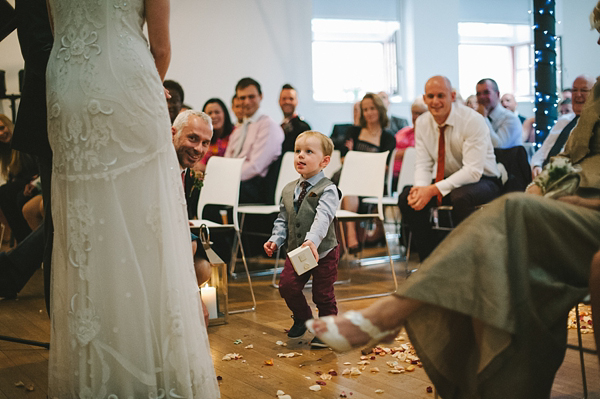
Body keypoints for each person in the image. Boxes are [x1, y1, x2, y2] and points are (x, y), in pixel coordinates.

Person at [45, 0, 219, 396]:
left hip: (66, 84)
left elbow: (59, 27)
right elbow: (160, 48)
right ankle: (151, 366)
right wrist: (134, 92)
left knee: (86, 229)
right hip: (125, 83)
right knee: (145, 225)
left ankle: (98, 370)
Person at [398, 76, 501, 261]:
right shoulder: (422, 123)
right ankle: (430, 262)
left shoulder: (472, 120)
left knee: (460, 197)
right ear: (424, 98)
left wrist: (432, 189)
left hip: (484, 180)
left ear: (452, 96)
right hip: (448, 180)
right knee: (408, 198)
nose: (435, 102)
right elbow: (423, 163)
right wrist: (421, 189)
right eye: (430, 96)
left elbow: (472, 171)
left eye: (440, 95)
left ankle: (472, 261)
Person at [264, 130, 340, 349]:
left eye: (308, 151)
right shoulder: (289, 189)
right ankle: (303, 318)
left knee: (322, 294)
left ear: (325, 161)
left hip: (323, 251)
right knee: (287, 287)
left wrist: (312, 241)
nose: (301, 156)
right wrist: (275, 239)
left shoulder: (328, 189)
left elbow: (323, 217)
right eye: (298, 151)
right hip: (298, 251)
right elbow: (283, 218)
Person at [339, 92, 396, 252]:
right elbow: (344, 159)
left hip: (374, 182)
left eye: (372, 108)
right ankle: (351, 235)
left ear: (380, 109)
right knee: (349, 186)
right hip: (348, 177)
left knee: (349, 186)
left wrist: (356, 158)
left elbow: (385, 167)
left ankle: (350, 239)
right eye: (365, 109)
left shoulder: (388, 137)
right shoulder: (354, 132)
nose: (369, 113)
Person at [225, 77, 284, 204]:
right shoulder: (238, 130)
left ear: (260, 96)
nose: (246, 102)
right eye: (242, 98)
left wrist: (229, 178)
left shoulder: (268, 125)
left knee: (214, 191)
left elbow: (256, 166)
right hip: (237, 182)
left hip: (257, 186)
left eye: (251, 97)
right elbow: (227, 160)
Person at [530, 75, 594, 177]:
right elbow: (543, 150)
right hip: (543, 173)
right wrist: (536, 166)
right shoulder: (563, 121)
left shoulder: (594, 125)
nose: (578, 94)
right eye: (574, 90)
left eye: (584, 90)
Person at [0, 114, 39, 244]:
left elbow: (35, 168)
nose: (1, 133)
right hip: (25, 181)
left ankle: (25, 242)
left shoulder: (24, 140)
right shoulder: (6, 150)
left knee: (7, 193)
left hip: (35, 180)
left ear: (8, 125)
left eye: (2, 127)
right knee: (6, 192)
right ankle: (24, 242)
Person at [392, 98, 427, 193]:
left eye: (420, 113)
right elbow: (391, 154)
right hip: (393, 175)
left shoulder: (430, 135)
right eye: (414, 113)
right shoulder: (402, 133)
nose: (416, 117)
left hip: (416, 176)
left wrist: (406, 153)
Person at [476, 78, 523, 148]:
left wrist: (484, 118)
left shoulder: (510, 119)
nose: (482, 97)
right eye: (478, 94)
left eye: (486, 92)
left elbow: (498, 146)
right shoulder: (476, 117)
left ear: (497, 94)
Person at [196, 98, 234, 173]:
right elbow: (198, 163)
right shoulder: (201, 137)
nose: (213, 116)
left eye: (217, 112)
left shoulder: (236, 133)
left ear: (225, 114)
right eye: (209, 113)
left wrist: (206, 168)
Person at [280, 83, 311, 154]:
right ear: (279, 101)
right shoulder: (278, 128)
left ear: (297, 101)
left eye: (291, 98)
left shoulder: (304, 128)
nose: (287, 101)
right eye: (284, 99)